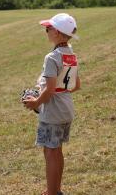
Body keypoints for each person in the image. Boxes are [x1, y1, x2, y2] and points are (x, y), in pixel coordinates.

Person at [23, 13, 80, 195]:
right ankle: (55, 191)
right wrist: (57, 92)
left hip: (53, 113)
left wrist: (35, 103)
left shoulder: (52, 57)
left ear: (57, 32)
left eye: (48, 29)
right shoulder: (70, 54)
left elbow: (49, 90)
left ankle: (52, 192)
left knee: (50, 154)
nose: (46, 31)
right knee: (57, 151)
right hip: (66, 109)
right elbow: (76, 85)